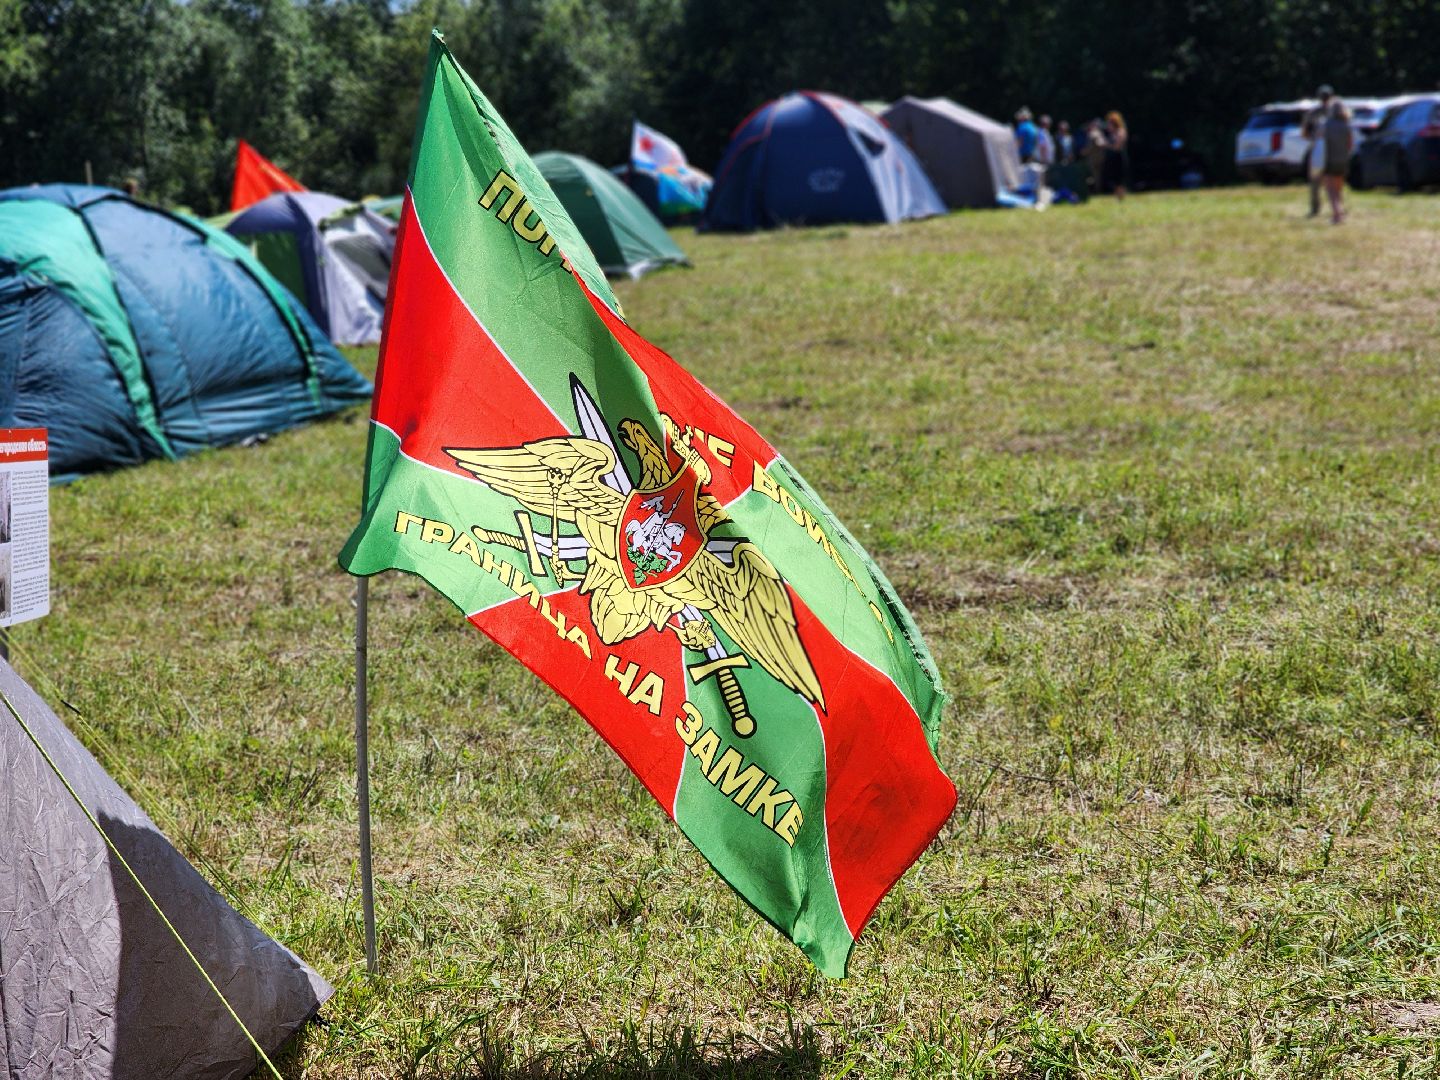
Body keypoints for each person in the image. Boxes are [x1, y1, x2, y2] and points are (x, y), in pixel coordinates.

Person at [1300, 85, 1334, 217]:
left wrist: (1314, 139)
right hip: (1333, 149)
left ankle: (1315, 208)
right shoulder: (1336, 112)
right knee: (1334, 179)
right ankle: (1337, 207)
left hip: (1317, 148)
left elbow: (1304, 133)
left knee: (1315, 179)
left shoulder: (1312, 113)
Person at [1322, 99, 1353, 224]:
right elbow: (1350, 144)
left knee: (1331, 190)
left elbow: (1321, 142)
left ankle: (1337, 215)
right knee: (1338, 189)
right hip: (1343, 160)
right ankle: (1341, 212)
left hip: (1330, 160)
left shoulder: (1327, 125)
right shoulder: (1346, 125)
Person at [1102, 111, 1130, 199]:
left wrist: (1106, 145)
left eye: (1109, 123)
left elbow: (1117, 146)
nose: (1108, 125)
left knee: (1119, 178)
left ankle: (1121, 196)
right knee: (1112, 178)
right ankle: (1118, 196)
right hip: (1112, 157)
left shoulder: (1121, 131)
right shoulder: (1111, 133)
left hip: (1119, 157)